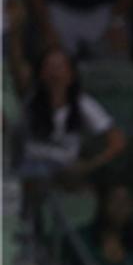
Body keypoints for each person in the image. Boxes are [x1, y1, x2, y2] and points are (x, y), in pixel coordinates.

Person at [18, 45, 126, 190]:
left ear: (71, 74)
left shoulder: (82, 103)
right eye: (49, 66)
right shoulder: (29, 99)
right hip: (31, 169)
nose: (54, 73)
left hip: (64, 171)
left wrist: (87, 166)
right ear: (41, 73)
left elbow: (117, 141)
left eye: (59, 67)